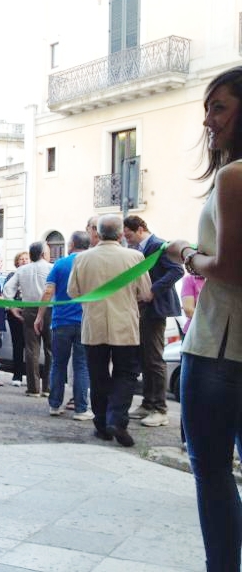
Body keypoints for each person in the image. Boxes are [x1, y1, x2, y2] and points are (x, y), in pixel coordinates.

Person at [165, 66, 242, 571]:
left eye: (219, 108)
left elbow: (231, 267)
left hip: (221, 348)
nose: (208, 121)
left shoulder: (233, 175)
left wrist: (186, 254)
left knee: (212, 474)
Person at [67, 215, 152, 448]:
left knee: (98, 375)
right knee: (126, 374)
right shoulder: (135, 257)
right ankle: (118, 419)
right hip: (124, 325)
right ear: (121, 234)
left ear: (98, 233)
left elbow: (73, 292)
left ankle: (102, 425)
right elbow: (146, 293)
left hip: (93, 325)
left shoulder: (82, 258)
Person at [123, 215, 183, 427]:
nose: (126, 239)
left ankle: (160, 409)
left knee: (155, 358)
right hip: (143, 309)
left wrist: (153, 290)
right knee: (145, 356)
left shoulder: (159, 246)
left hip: (156, 309)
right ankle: (148, 404)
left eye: (129, 235)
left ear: (140, 229)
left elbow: (177, 271)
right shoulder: (140, 248)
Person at [33, 231, 93, 420]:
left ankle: (55, 405)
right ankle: (81, 409)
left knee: (58, 364)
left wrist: (40, 316)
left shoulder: (60, 264)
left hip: (60, 322)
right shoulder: (91, 264)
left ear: (72, 244)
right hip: (85, 322)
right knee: (81, 365)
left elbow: (48, 291)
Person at [3, 241, 53, 397]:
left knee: (32, 349)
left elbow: (7, 288)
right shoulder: (52, 268)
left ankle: (33, 388)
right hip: (51, 309)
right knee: (51, 349)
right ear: (44, 254)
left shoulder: (22, 270)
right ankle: (48, 387)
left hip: (29, 310)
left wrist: (11, 306)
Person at [6, 251, 29, 386]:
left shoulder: (31, 273)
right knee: (18, 344)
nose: (24, 261)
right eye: (21, 259)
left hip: (28, 312)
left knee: (30, 345)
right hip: (14, 314)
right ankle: (17, 375)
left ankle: (30, 376)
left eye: (27, 258)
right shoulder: (11, 275)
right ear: (17, 262)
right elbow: (7, 292)